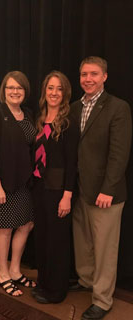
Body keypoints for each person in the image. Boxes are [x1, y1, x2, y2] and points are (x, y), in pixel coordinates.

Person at [70, 56, 132, 320]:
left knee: (106, 248)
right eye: (84, 74)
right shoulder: (73, 107)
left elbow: (119, 154)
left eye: (94, 74)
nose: (88, 79)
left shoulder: (118, 107)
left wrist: (108, 188)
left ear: (104, 76)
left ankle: (103, 300)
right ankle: (86, 281)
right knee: (83, 243)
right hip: (80, 190)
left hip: (106, 193)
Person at [0, 71, 37, 297]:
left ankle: (15, 270)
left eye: (19, 88)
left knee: (26, 225)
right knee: (4, 229)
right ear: (3, 90)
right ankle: (3, 273)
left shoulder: (29, 114)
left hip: (25, 182)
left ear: (25, 92)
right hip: (2, 183)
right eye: (10, 88)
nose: (15, 92)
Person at [31, 71, 79, 303]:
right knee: (42, 238)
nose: (54, 93)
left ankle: (56, 291)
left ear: (65, 93)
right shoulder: (39, 119)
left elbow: (72, 163)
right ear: (44, 91)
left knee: (57, 242)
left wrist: (67, 196)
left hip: (59, 191)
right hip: (39, 187)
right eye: (50, 88)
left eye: (59, 89)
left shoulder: (69, 122)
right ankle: (44, 282)